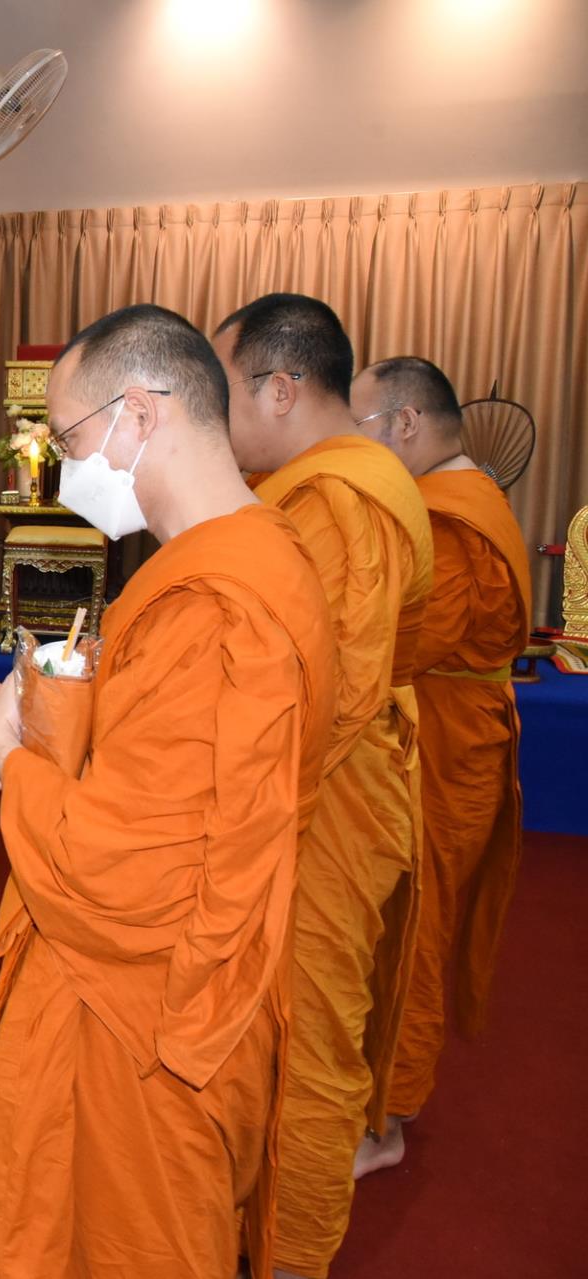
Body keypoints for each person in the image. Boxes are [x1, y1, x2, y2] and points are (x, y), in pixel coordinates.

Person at [0, 304, 336, 1278]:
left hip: (142, 1014)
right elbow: (165, 759)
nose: (62, 468)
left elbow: (123, 873)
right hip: (168, 985)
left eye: (68, 439)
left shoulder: (220, 605)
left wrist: (20, 761)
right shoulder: (253, 557)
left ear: (138, 413)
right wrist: (42, 712)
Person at [212, 294, 433, 1279]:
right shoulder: (324, 484)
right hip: (320, 784)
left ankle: (291, 1260)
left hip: (327, 795)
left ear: (282, 388)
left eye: (223, 391)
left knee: (309, 1046)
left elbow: (327, 694)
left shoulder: (346, 497)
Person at [346, 356, 531, 1177]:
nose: (358, 442)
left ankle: (384, 1118)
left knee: (413, 930)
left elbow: (407, 640)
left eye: (362, 425)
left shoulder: (456, 522)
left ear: (407, 422)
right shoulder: (457, 498)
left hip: (449, 744)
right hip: (441, 727)